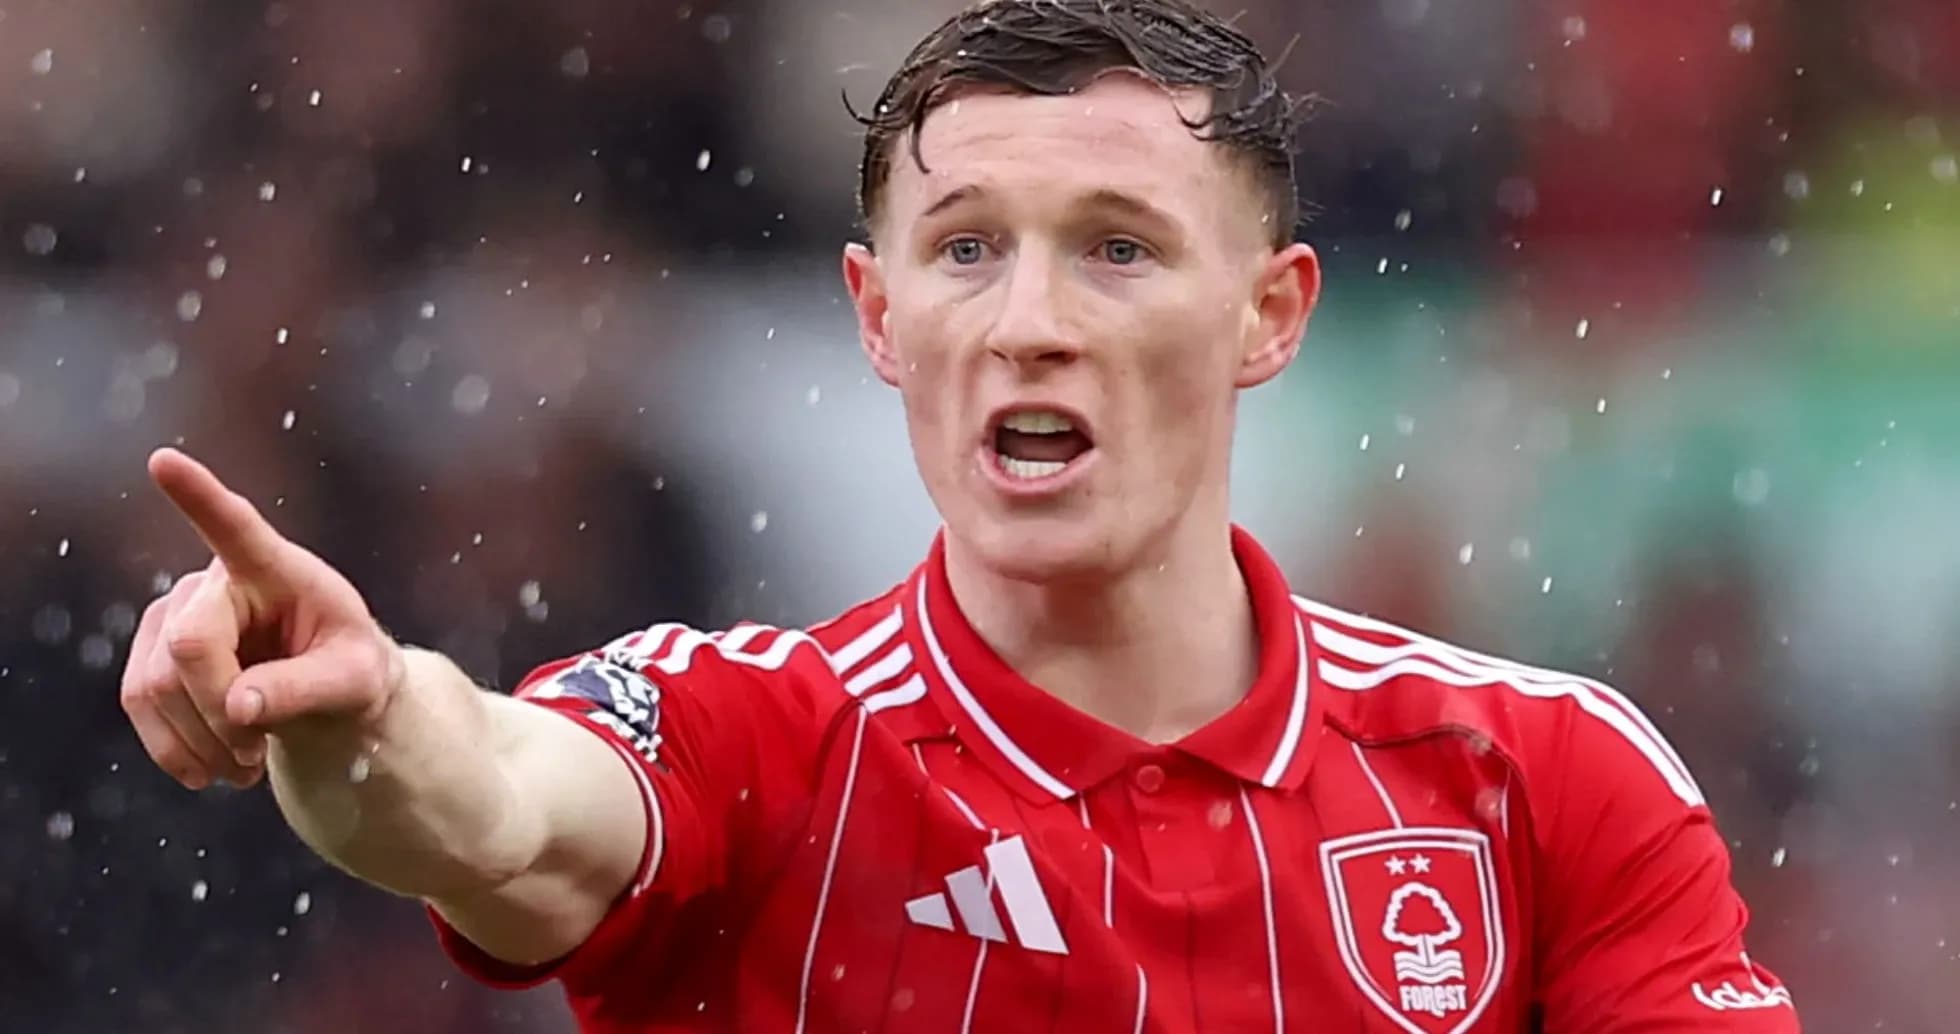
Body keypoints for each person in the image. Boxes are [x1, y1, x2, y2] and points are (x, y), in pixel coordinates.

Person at [120, 1, 1800, 1030]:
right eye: (968, 247)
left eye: (1120, 247)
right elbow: (482, 792)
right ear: (876, 314)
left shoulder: (1546, 776)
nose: (1030, 319)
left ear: (1270, 314)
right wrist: (353, 705)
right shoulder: (752, 743)